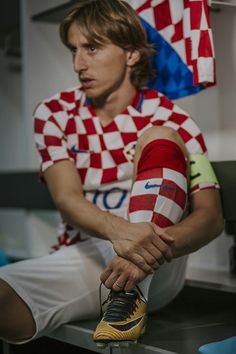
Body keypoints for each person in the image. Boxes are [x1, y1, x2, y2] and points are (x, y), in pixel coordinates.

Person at [0, 0, 223, 348]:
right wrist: (120, 232)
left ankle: (130, 294)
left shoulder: (174, 119)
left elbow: (211, 218)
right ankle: (124, 291)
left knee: (160, 136)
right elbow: (67, 199)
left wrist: (141, 254)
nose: (78, 64)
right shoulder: (54, 113)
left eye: (92, 48)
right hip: (86, 254)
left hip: (163, 262)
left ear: (132, 54)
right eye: (74, 50)